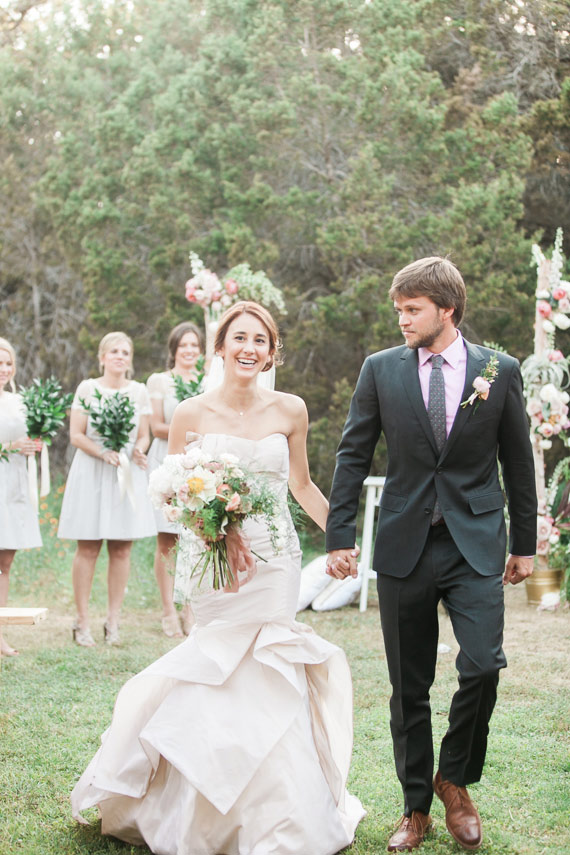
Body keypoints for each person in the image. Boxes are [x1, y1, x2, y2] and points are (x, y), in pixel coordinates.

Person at [71, 301, 365, 855]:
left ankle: (280, 814)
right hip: (217, 562)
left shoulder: (291, 410)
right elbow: (176, 496)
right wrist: (216, 531)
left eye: (261, 340)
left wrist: (341, 537)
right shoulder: (190, 413)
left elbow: (301, 486)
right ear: (221, 348)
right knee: (216, 668)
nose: (250, 349)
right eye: (240, 338)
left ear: (272, 351)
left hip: (274, 559)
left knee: (271, 667)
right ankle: (193, 810)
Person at [325, 257, 537, 852]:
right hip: (404, 544)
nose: (402, 320)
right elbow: (352, 454)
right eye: (398, 309)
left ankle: (454, 779)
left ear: (447, 309)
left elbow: (518, 464)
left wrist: (525, 544)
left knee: (484, 664)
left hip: (474, 545)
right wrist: (341, 533)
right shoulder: (379, 370)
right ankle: (415, 807)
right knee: (407, 686)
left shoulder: (499, 370)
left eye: (412, 309)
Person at [58, 332, 156, 647]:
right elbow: (76, 434)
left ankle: (113, 621)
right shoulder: (88, 388)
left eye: (125, 352)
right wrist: (102, 453)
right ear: (102, 357)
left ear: (130, 359)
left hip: (124, 473)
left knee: (121, 548)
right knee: (87, 547)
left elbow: (144, 435)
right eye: (113, 351)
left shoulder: (139, 392)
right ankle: (82, 621)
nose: (119, 356)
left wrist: (139, 450)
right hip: (92, 470)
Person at [147, 321, 203, 638]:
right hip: (167, 458)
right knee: (168, 540)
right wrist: (187, 432)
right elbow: (156, 426)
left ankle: (190, 609)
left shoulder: (209, 381)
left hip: (199, 461)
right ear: (174, 349)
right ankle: (168, 610)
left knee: (195, 538)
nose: (190, 350)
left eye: (195, 345)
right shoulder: (160, 381)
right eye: (184, 345)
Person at [0, 338, 42, 657]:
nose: (4, 369)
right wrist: (10, 448)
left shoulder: (18, 400)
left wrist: (34, 445)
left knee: (5, 562)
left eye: (8, 363)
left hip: (13, 484)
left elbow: (27, 437)